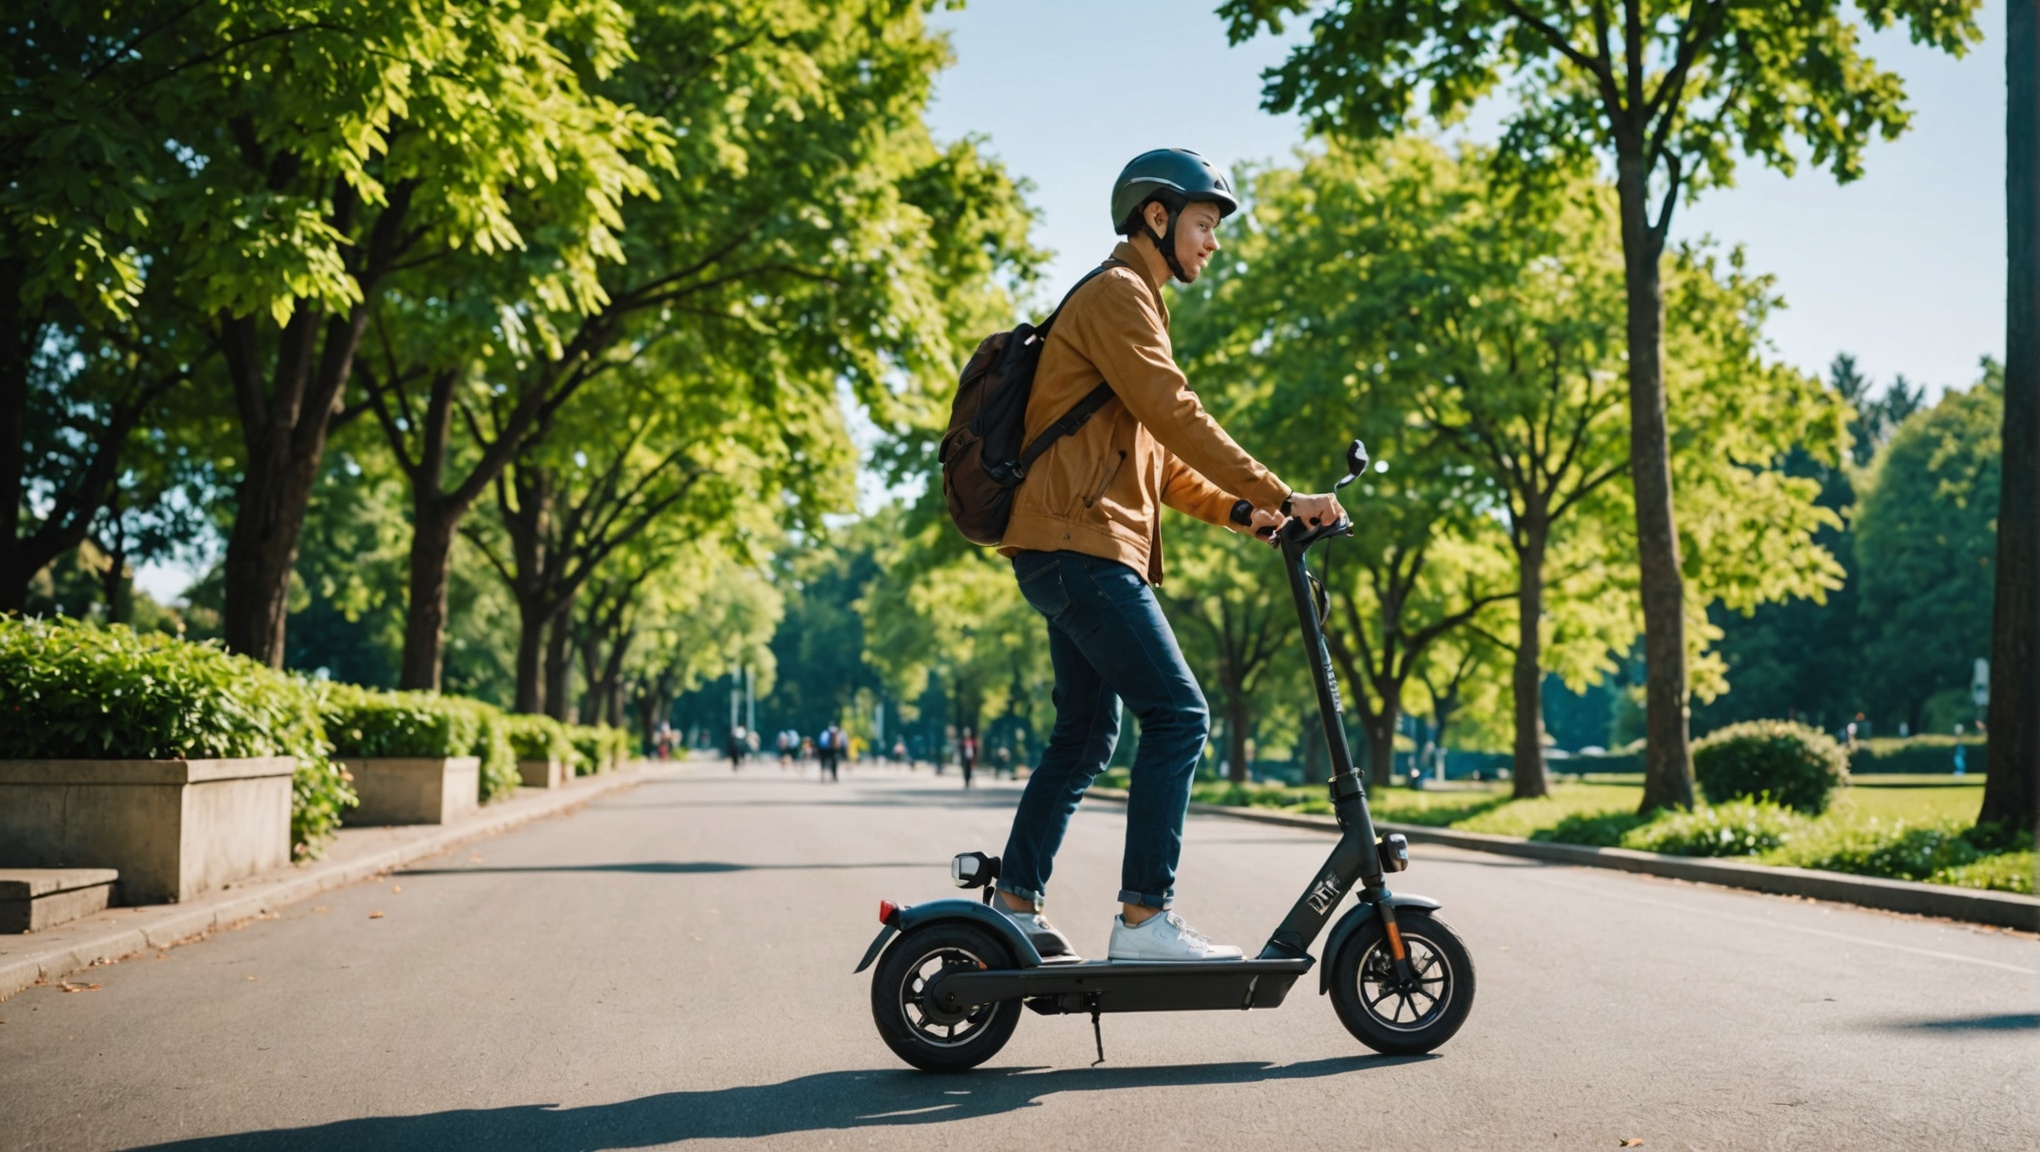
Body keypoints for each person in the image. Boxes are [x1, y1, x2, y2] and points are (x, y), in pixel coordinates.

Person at [989, 149, 1345, 963]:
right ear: (1158, 216)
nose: (1212, 243)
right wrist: (1285, 492)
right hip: (1082, 546)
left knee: (1084, 736)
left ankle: (1013, 902)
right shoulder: (1119, 295)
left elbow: (1163, 461)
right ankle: (1145, 920)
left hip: (1065, 545)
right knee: (1180, 715)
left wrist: (1249, 513)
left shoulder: (1131, 303)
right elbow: (1177, 412)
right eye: (1204, 224)